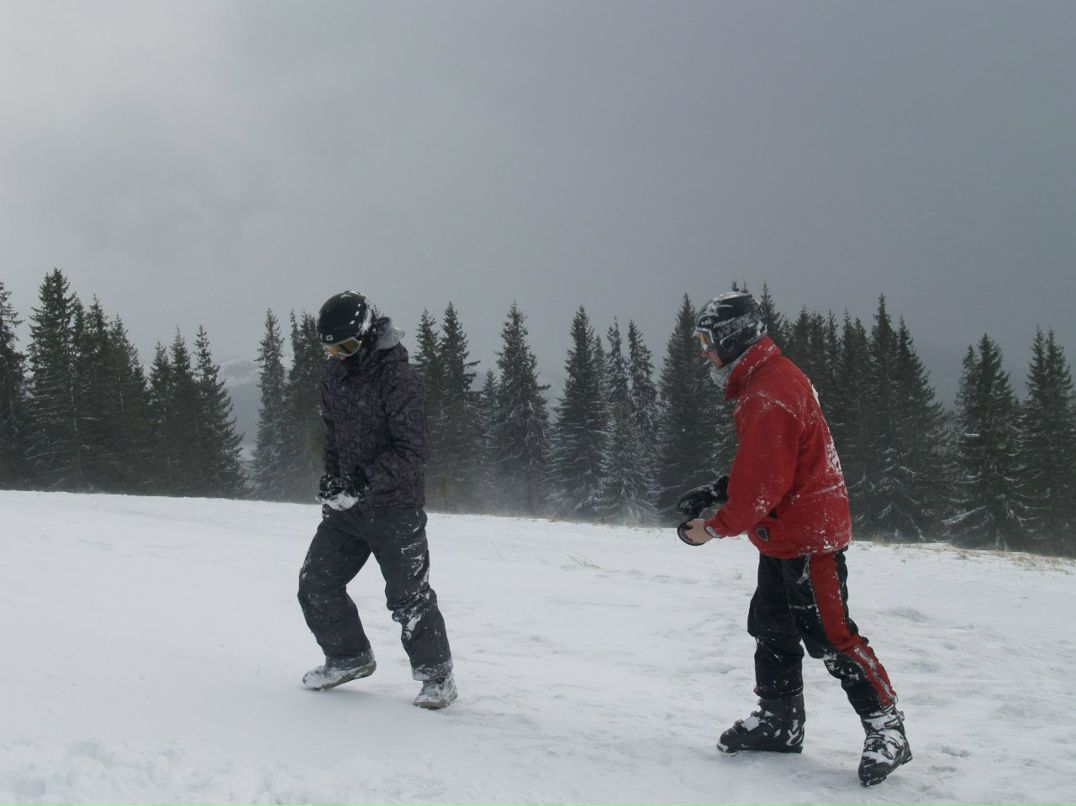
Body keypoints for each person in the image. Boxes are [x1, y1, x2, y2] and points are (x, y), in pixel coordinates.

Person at [677, 291, 910, 786]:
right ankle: (780, 721)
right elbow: (772, 462)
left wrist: (712, 528)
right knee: (771, 627)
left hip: (809, 536)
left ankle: (887, 728)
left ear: (734, 337)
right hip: (785, 532)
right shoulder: (764, 380)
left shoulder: (768, 391)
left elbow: (764, 482)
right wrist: (719, 489)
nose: (705, 352)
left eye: (707, 340)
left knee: (831, 635)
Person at [297, 290, 456, 709]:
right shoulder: (335, 376)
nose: (339, 356)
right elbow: (334, 436)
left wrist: (362, 482)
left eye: (346, 347)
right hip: (348, 511)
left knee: (409, 598)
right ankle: (348, 657)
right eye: (332, 349)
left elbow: (413, 451)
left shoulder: (399, 379)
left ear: (368, 334)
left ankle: (437, 678)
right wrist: (334, 482)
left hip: (396, 508)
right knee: (316, 584)